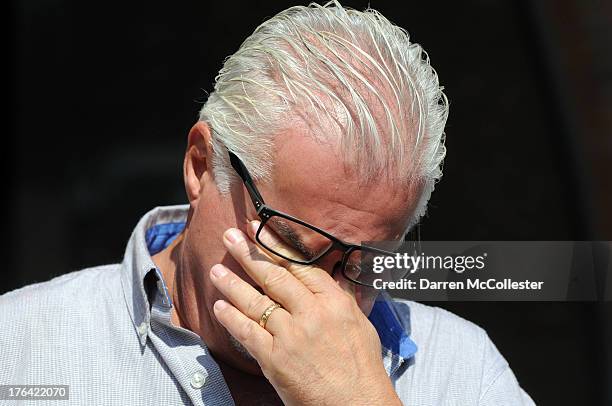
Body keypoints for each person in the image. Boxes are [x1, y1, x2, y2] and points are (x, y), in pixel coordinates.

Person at [0, 1, 535, 405]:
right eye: (290, 242)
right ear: (202, 166)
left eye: (364, 262)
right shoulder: (21, 347)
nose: (326, 299)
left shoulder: (465, 372)